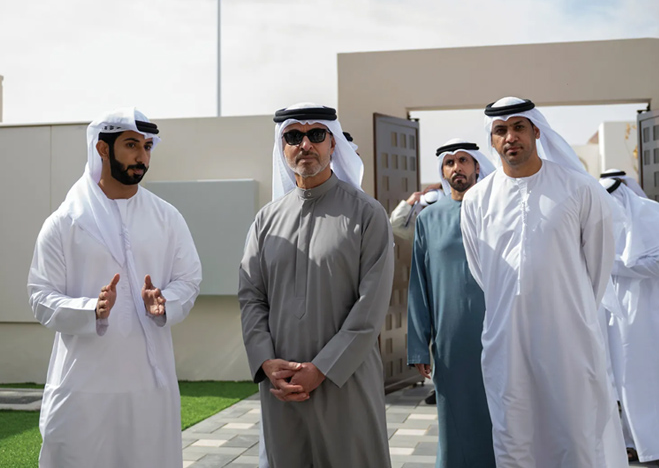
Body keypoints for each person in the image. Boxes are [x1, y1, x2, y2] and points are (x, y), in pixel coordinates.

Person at [27, 108, 202, 468]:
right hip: (82, 387)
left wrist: (165, 301)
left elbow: (189, 279)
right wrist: (90, 309)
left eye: (147, 147)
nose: (142, 156)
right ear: (102, 149)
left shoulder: (167, 218)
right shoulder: (65, 222)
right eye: (131, 145)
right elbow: (40, 295)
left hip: (149, 388)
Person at [460, 96, 627, 467]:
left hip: (569, 339)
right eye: (500, 130)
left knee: (575, 434)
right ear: (492, 140)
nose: (510, 137)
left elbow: (597, 268)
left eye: (518, 127)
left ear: (536, 131)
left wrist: (565, 307)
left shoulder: (579, 188)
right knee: (513, 437)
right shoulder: (476, 200)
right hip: (506, 340)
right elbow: (482, 271)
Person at [239, 103, 394, 468]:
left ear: (332, 143)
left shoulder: (366, 214)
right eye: (294, 136)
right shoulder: (266, 220)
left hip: (346, 382)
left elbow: (370, 309)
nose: (305, 144)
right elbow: (251, 297)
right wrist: (266, 362)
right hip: (282, 387)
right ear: (282, 146)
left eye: (316, 135)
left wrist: (322, 368)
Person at [407, 139, 495, 468]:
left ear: (476, 166)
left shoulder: (496, 212)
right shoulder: (429, 219)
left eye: (463, 160)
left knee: (500, 419)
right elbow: (419, 284)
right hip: (450, 342)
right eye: (449, 162)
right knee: (454, 423)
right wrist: (418, 345)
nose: (457, 167)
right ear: (443, 171)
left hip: (498, 336)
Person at [600, 177, 659, 464]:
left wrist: (613, 264)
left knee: (643, 376)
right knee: (617, 379)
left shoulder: (650, 215)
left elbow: (656, 264)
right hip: (609, 312)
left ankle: (650, 443)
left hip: (646, 310)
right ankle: (630, 442)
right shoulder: (597, 217)